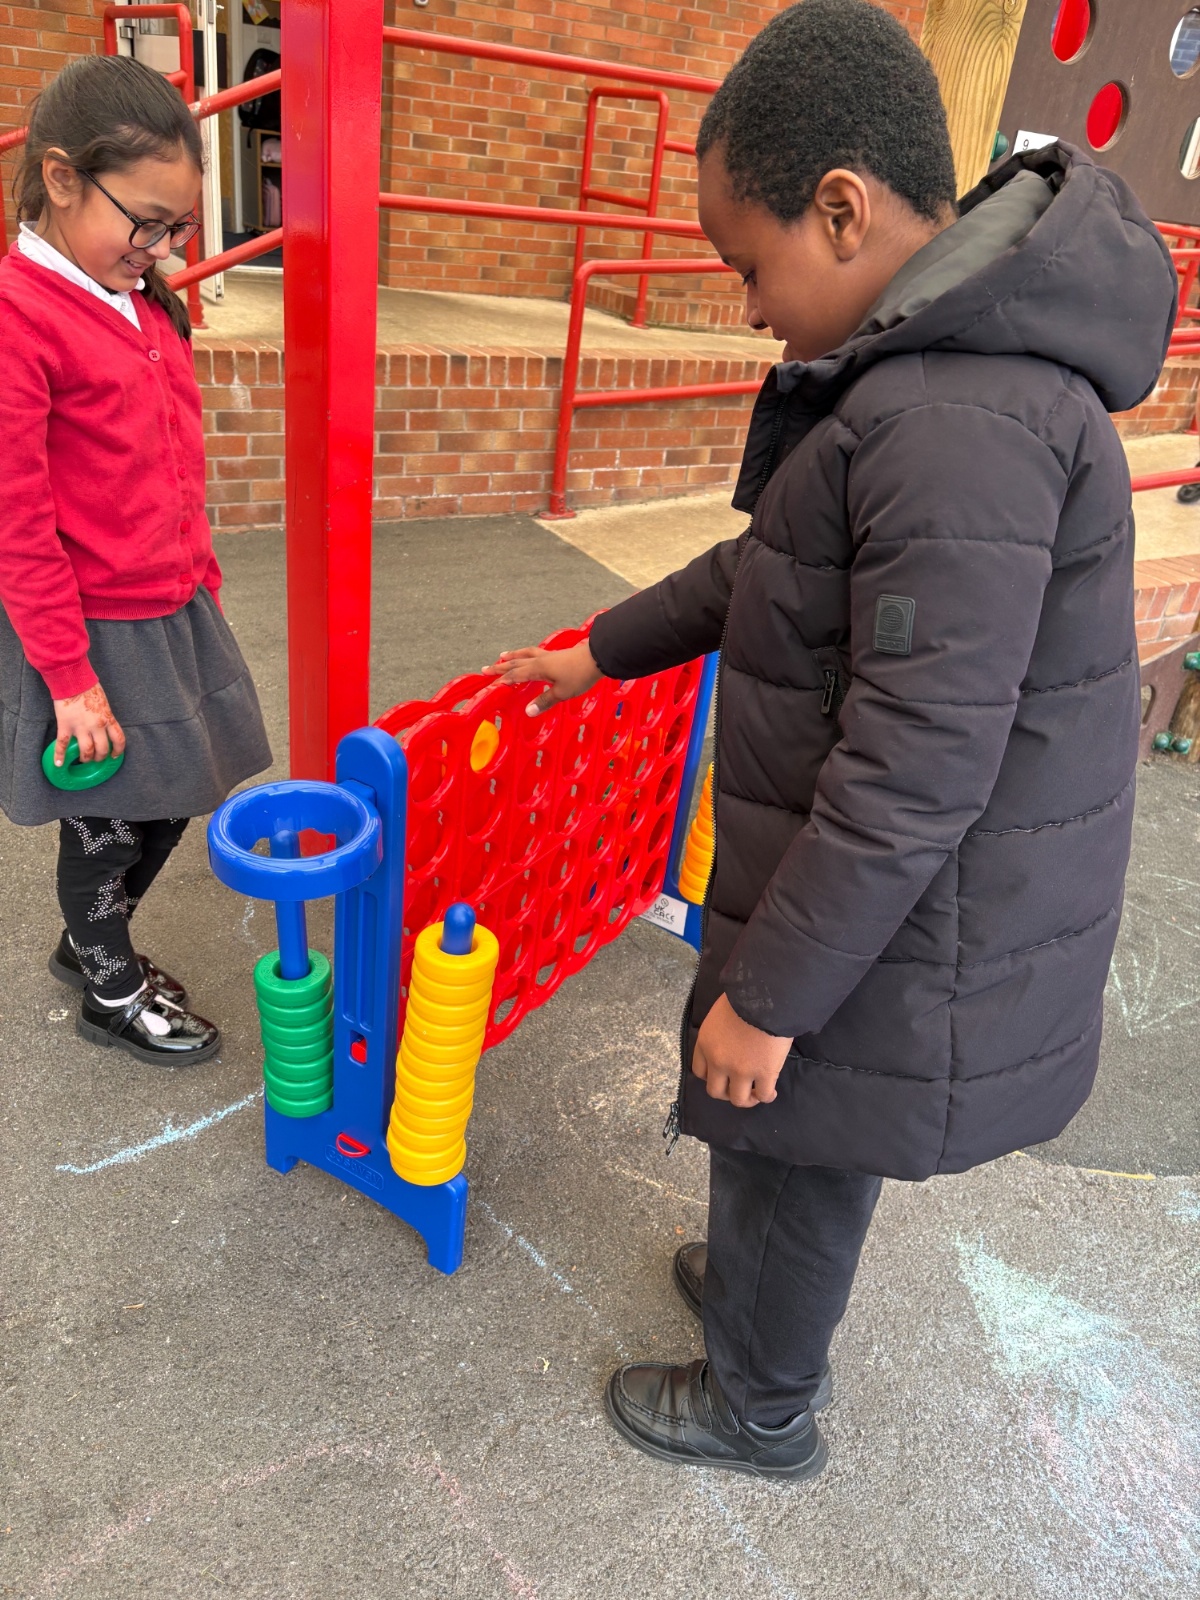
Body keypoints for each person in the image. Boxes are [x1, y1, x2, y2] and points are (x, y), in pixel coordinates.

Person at [486, 0, 1176, 1479]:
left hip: (892, 929)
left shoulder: (954, 422)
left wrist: (771, 995)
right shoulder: (918, 378)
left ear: (844, 210)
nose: (746, 308)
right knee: (785, 1142)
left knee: (790, 1135)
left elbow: (916, 762)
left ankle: (760, 1403)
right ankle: (756, 1294)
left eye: (750, 266)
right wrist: (598, 650)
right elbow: (770, 567)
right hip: (880, 911)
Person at [0, 55, 271, 1067]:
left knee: (172, 795)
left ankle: (90, 944)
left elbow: (170, 460)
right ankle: (110, 988)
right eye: (146, 223)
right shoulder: (20, 316)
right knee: (109, 818)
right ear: (62, 179)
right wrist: (69, 682)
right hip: (92, 629)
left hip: (170, 603)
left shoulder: (140, 299)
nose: (160, 249)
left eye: (179, 229)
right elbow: (17, 522)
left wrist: (203, 577)